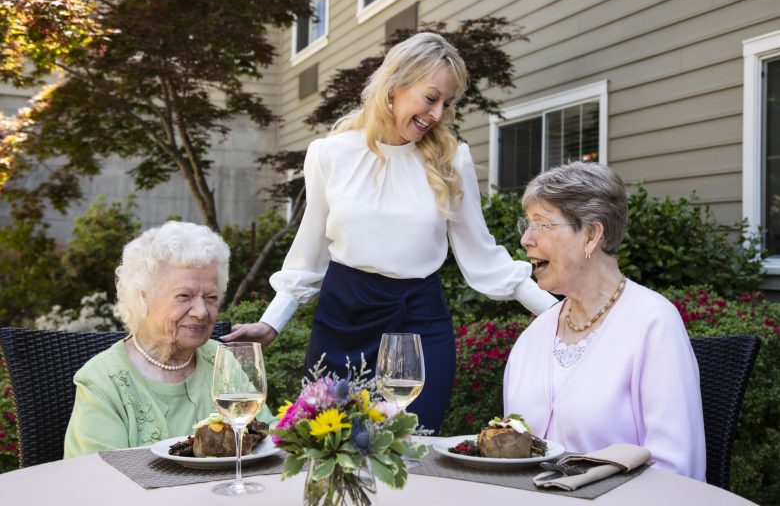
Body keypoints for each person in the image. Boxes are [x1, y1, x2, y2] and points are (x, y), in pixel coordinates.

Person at [223, 32, 557, 433]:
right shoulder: (329, 154)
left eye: (447, 104)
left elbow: (482, 257)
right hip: (343, 319)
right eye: (430, 98)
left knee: (411, 456)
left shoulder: (453, 159)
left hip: (420, 324)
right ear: (394, 87)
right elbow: (310, 253)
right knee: (336, 452)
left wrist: (556, 310)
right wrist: (272, 321)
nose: (437, 114)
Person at [503, 161, 706, 480]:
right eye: (526, 225)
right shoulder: (533, 337)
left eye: (541, 224)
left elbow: (676, 468)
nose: (526, 240)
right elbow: (506, 457)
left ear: (591, 235)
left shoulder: (653, 324)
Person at [64, 221, 275, 457]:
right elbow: (98, 478)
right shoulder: (101, 381)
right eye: (184, 296)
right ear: (143, 298)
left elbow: (272, 441)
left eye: (211, 297)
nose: (201, 311)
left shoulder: (222, 360)